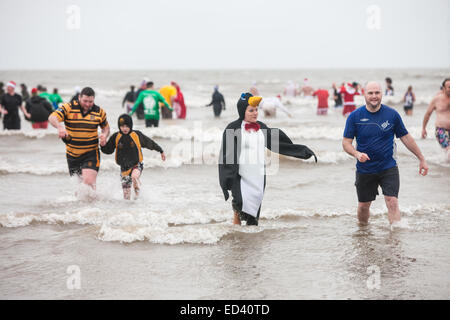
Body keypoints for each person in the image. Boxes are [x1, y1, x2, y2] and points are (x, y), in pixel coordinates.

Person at [219, 92, 317, 226]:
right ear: (243, 111)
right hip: (240, 177)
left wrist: (302, 151)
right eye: (251, 110)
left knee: (253, 213)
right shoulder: (232, 128)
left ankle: (250, 240)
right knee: (238, 207)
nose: (255, 113)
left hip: (258, 178)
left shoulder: (261, 127)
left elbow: (279, 144)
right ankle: (236, 237)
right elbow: (226, 156)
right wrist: (226, 180)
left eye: (256, 110)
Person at [342, 82, 428, 226]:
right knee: (363, 207)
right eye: (370, 93)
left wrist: (421, 158)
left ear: (382, 94)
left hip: (388, 167)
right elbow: (346, 143)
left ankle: (395, 240)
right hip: (365, 169)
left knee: (392, 202)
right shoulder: (355, 117)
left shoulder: (392, 115)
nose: (374, 96)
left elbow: (406, 138)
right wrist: (357, 154)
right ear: (364, 94)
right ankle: (363, 232)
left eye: (377, 93)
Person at [48, 87, 110, 189]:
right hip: (72, 155)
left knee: (88, 182)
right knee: (79, 188)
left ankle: (94, 204)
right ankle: (89, 204)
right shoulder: (69, 107)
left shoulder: (99, 112)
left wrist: (105, 135)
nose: (87, 104)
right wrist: (60, 127)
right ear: (79, 97)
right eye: (85, 101)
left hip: (91, 153)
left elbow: (106, 128)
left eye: (90, 101)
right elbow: (52, 117)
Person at [100, 114, 166, 200]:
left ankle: (138, 197)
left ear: (130, 126)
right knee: (126, 198)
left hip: (136, 164)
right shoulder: (116, 136)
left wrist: (160, 150)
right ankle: (133, 209)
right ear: (119, 126)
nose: (125, 128)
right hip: (124, 168)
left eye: (127, 126)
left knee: (134, 177)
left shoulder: (136, 135)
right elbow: (108, 150)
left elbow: (149, 143)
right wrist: (102, 144)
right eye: (122, 126)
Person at [422, 78, 450, 161]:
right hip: (441, 130)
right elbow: (427, 114)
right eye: (449, 87)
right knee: (449, 151)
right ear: (444, 88)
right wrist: (424, 129)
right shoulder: (437, 99)